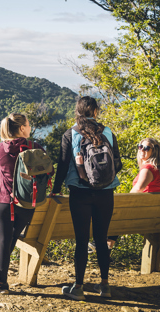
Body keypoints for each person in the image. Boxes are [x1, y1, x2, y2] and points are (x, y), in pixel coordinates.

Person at [52, 96, 122, 300]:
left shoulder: (70, 134)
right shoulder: (107, 132)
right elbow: (118, 163)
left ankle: (79, 287)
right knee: (101, 239)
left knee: (81, 241)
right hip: (106, 192)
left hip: (80, 192)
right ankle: (105, 286)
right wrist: (103, 177)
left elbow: (63, 165)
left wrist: (56, 190)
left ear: (77, 112)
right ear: (96, 112)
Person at [0, 113, 47, 295]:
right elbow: (44, 174)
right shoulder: (35, 148)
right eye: (28, 125)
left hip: (3, 199)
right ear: (21, 128)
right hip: (27, 202)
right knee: (12, 237)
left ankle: (1, 281)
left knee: (5, 239)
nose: (29, 127)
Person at [105, 137, 160, 251]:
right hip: (157, 215)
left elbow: (138, 189)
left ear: (154, 151)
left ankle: (104, 245)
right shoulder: (159, 169)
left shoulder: (148, 168)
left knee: (114, 211)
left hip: (144, 215)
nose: (141, 150)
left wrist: (124, 202)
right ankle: (107, 247)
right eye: (140, 146)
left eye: (146, 148)